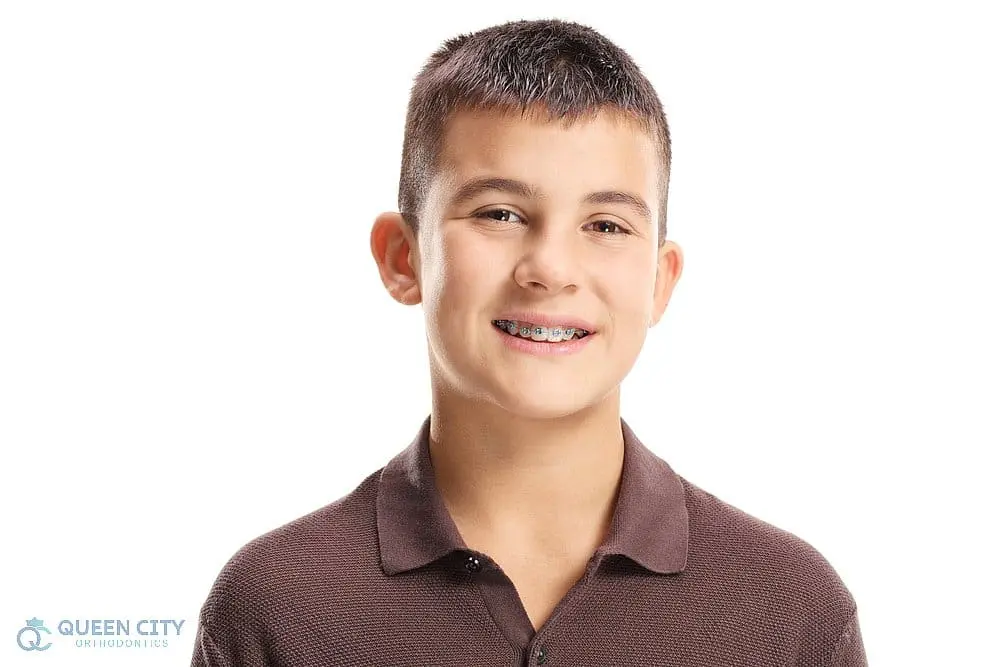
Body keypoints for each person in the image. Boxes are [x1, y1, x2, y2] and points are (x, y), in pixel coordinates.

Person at [190, 18, 868, 666]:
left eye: (605, 225)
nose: (550, 268)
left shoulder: (792, 609)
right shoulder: (276, 605)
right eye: (500, 213)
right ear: (403, 257)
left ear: (659, 282)